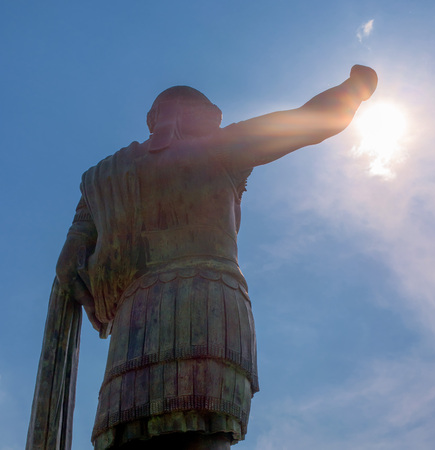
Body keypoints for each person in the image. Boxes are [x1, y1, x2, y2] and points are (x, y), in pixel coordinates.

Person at [27, 65, 377, 450]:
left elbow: (70, 262)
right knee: (199, 434)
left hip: (137, 313)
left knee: (129, 435)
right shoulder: (220, 148)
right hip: (209, 298)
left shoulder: (104, 177)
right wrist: (354, 89)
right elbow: (310, 121)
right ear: (195, 114)